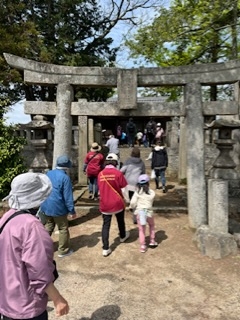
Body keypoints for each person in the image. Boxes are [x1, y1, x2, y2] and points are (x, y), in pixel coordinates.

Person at [0, 172, 69, 319]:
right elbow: (39, 270)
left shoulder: (7, 217)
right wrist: (57, 299)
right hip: (27, 305)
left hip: (7, 300)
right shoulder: (32, 225)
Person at [41, 155, 77, 258]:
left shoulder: (48, 173)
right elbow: (68, 197)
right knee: (63, 228)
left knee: (48, 226)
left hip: (46, 205)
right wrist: (72, 211)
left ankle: (42, 247)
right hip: (58, 207)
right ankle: (63, 250)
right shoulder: (65, 178)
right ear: (67, 166)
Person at [98, 153, 130, 257]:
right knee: (120, 220)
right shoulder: (118, 174)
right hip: (117, 202)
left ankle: (105, 248)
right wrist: (127, 200)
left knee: (106, 225)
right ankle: (122, 236)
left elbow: (100, 190)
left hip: (105, 203)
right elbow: (124, 188)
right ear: (116, 162)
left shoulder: (100, 174)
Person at [129, 174, 157, 253]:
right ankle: (152, 241)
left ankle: (142, 246)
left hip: (140, 212)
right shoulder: (152, 192)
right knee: (151, 226)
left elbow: (133, 202)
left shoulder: (137, 193)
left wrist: (131, 207)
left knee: (141, 230)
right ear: (148, 183)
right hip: (149, 212)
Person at [120, 147, 145, 223]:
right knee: (136, 201)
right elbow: (143, 173)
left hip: (128, 183)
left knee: (131, 200)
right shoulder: (141, 163)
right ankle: (136, 217)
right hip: (137, 184)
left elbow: (121, 171)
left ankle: (134, 214)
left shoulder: (128, 161)